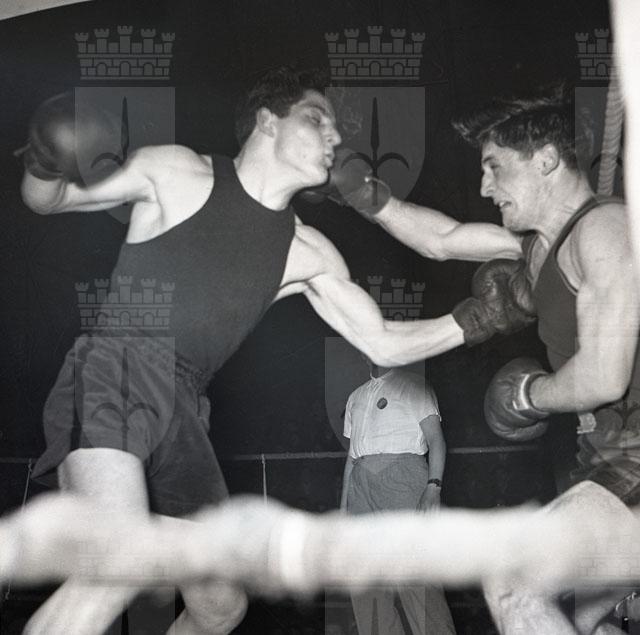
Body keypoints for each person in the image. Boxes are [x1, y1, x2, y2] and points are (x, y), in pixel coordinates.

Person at [17, 67, 532, 634]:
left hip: (184, 408)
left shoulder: (306, 250)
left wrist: (479, 318)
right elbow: (51, 200)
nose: (335, 137)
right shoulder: (178, 172)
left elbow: (383, 340)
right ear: (267, 121)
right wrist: (46, 157)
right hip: (116, 371)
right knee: (115, 564)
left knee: (220, 608)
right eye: (316, 119)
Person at [323, 84, 640, 633]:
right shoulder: (539, 248)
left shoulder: (606, 231)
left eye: (495, 167)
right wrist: (366, 196)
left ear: (545, 160)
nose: (484, 186)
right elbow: (443, 239)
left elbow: (603, 377)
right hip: (608, 456)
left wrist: (530, 394)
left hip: (634, 457)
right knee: (583, 619)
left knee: (515, 582)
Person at [340, 359, 455, 634]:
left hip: (402, 477)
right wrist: (344, 509)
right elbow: (352, 456)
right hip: (361, 481)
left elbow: (436, 440)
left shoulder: (414, 385)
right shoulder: (355, 396)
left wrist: (433, 486)